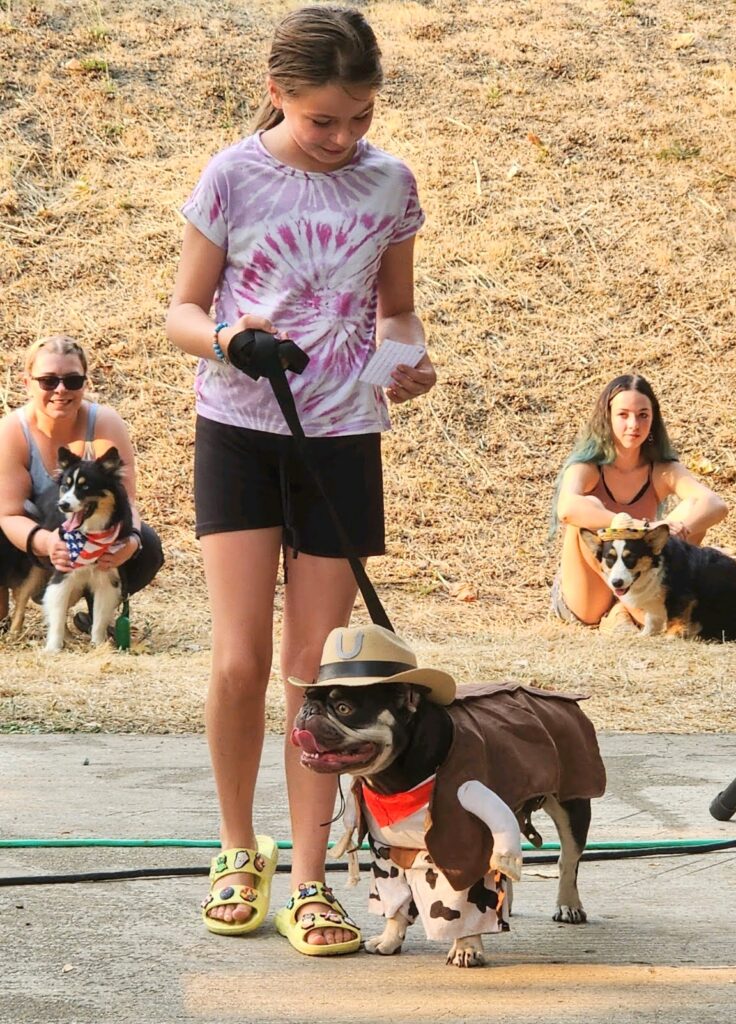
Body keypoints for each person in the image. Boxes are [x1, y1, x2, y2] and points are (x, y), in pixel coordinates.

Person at [165, 5, 436, 955]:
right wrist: (235, 340)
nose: (344, 138)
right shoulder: (231, 174)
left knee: (319, 677)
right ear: (278, 92)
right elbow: (183, 313)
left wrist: (411, 360)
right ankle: (240, 849)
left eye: (360, 117)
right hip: (240, 429)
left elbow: (397, 312)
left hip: (341, 440)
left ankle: (313, 880)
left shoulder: (389, 184)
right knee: (241, 661)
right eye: (325, 120)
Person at [0, 334, 164, 630]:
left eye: (72, 381)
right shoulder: (12, 430)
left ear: (85, 383)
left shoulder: (104, 422)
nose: (61, 390)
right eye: (48, 381)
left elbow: (126, 502)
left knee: (148, 546)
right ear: (27, 383)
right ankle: (5, 606)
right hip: (35, 544)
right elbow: (8, 514)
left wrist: (132, 542)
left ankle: (96, 617)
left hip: (90, 543)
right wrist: (47, 542)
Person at [550, 373, 727, 629]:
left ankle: (623, 614)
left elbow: (715, 504)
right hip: (586, 596)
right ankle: (628, 615)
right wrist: (637, 527)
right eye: (623, 415)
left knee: (693, 511)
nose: (634, 424)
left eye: (643, 415)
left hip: (638, 578)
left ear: (653, 420)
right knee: (584, 522)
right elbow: (566, 509)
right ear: (607, 417)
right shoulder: (587, 467)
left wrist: (671, 530)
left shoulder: (661, 469)